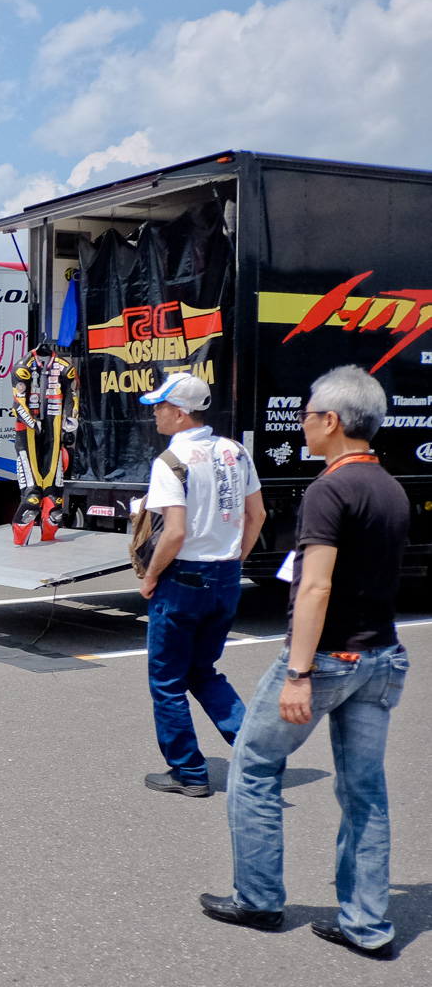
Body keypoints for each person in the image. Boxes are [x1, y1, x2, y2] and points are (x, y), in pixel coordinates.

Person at [201, 366, 409, 958]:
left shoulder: (330, 489)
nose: (303, 423)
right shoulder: (389, 487)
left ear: (332, 421)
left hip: (329, 659)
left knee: (254, 764)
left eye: (308, 414)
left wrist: (298, 672)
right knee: (364, 790)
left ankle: (258, 899)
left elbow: (314, 587)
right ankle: (369, 926)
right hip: (382, 657)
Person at [137, 372, 265, 797]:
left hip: (183, 578)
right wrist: (234, 559)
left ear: (180, 412)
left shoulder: (170, 463)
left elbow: (172, 533)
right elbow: (257, 516)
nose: (155, 413)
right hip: (226, 575)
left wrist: (151, 574)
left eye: (160, 407)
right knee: (203, 671)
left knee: (168, 679)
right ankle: (256, 753)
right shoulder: (235, 451)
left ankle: (189, 772)